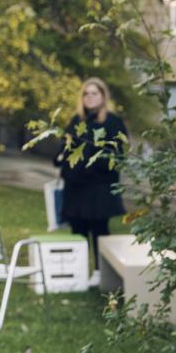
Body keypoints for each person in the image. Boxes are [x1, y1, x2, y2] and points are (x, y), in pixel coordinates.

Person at [55, 77, 127, 285]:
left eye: (94, 93)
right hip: (76, 188)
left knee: (99, 231)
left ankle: (100, 271)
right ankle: (78, 273)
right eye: (86, 93)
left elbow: (115, 157)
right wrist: (60, 160)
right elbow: (65, 147)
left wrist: (87, 170)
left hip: (98, 188)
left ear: (103, 96)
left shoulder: (113, 122)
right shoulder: (77, 121)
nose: (89, 97)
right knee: (78, 230)